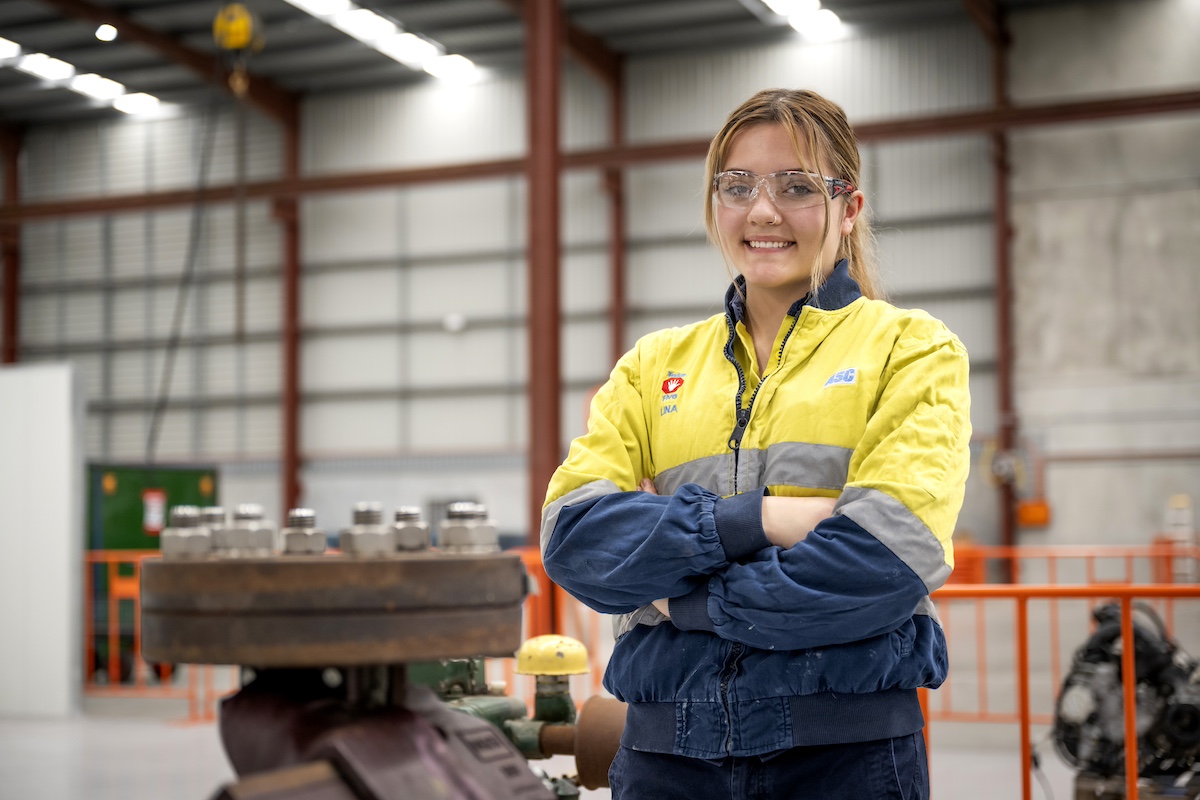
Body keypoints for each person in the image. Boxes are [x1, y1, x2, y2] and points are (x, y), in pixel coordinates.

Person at [540, 88, 971, 800]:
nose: (763, 211)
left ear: (849, 209)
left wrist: (687, 604)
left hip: (842, 760)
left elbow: (886, 558)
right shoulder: (653, 366)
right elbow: (576, 537)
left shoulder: (911, 350)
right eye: (737, 187)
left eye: (797, 187)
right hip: (662, 759)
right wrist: (761, 520)